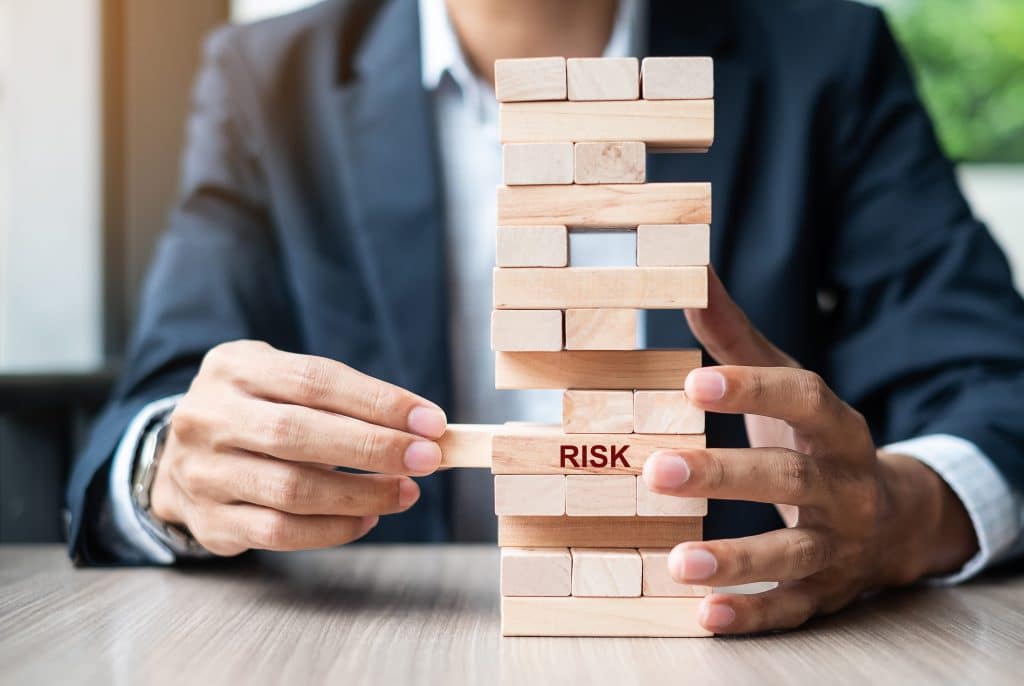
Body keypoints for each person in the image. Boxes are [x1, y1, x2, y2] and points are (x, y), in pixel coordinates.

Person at [67, 0, 1024, 635]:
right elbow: (161, 407)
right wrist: (176, 474)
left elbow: (993, 388)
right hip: (371, 642)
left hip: (729, 644)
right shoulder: (264, 78)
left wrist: (898, 515)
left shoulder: (828, 55)